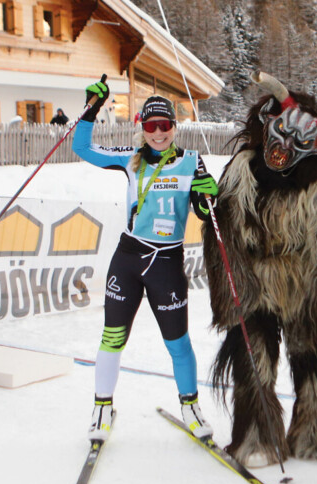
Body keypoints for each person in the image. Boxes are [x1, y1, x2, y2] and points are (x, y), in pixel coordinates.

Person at [72, 78, 219, 442]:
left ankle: (190, 407)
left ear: (174, 127)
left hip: (166, 264)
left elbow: (206, 211)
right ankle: (102, 408)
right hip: (129, 258)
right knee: (112, 337)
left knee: (178, 343)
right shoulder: (130, 158)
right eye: (151, 126)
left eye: (164, 125)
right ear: (142, 127)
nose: (158, 133)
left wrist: (209, 197)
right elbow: (83, 148)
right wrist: (91, 109)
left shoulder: (191, 161)